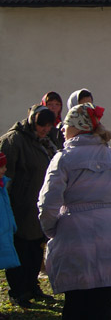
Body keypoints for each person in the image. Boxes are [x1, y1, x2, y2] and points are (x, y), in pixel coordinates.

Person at [38, 103, 111, 320]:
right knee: (102, 305)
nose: (62, 129)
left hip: (73, 233)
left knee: (75, 305)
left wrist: (53, 229)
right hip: (107, 236)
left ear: (77, 127)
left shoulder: (63, 158)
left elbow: (47, 204)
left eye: (66, 125)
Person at [0, 104, 58, 307]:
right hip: (20, 206)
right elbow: (6, 176)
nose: (45, 129)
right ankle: (18, 291)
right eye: (42, 125)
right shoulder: (14, 140)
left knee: (35, 249)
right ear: (33, 121)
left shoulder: (46, 142)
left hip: (37, 205)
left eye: (49, 126)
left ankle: (32, 286)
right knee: (20, 249)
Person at [0, 152, 21, 272]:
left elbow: (7, 208)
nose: (5, 169)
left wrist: (11, 224)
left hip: (4, 231)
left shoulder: (2, 186)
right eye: (1, 167)